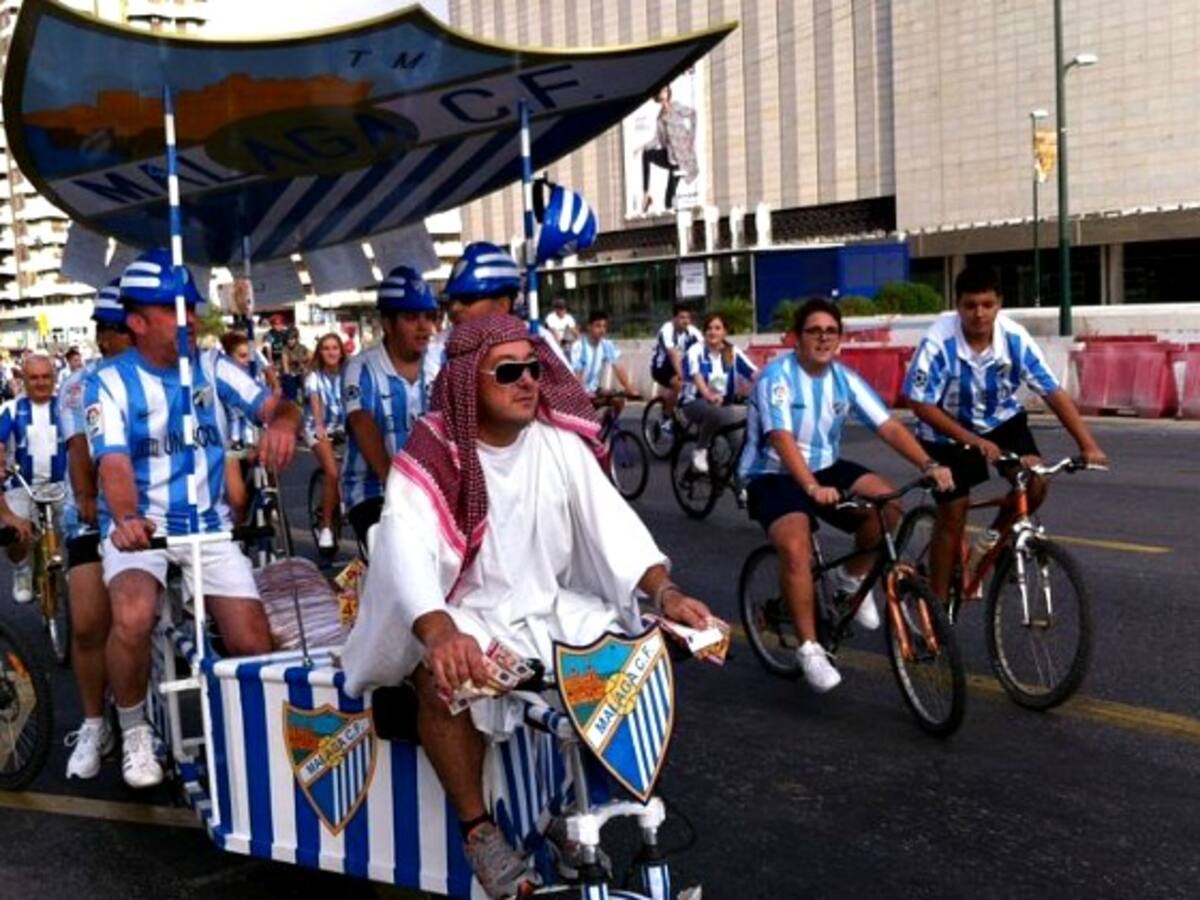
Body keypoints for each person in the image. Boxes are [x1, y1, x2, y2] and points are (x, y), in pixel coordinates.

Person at [342, 314, 714, 898]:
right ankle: (479, 831)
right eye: (508, 371)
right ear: (468, 381)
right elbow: (404, 549)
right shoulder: (432, 453)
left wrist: (666, 592)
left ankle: (571, 809)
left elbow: (614, 527)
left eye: (534, 367)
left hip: (543, 607)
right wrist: (439, 633)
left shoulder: (557, 444)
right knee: (442, 677)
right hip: (457, 610)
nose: (527, 381)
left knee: (631, 645)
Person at [84, 248, 300, 789]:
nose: (190, 319)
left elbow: (275, 406)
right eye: (174, 310)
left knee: (253, 642)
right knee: (133, 616)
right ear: (137, 322)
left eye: (190, 308)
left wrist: (283, 423)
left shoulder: (210, 366)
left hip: (208, 525)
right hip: (142, 529)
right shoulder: (107, 381)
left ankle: (262, 736)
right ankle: (134, 729)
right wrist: (127, 518)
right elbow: (113, 462)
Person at [738, 297, 955, 693]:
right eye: (814, 331)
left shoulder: (844, 379)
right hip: (771, 473)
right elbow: (781, 438)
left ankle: (850, 578)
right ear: (796, 338)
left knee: (889, 505)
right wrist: (811, 488)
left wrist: (929, 464)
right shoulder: (777, 378)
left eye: (831, 332)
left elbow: (888, 426)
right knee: (797, 547)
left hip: (825, 467)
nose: (823, 338)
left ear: (839, 339)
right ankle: (809, 649)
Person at [902, 265, 1108, 602]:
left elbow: (1051, 391)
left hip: (1001, 419)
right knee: (954, 510)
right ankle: (937, 609)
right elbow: (919, 403)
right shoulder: (939, 342)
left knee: (1035, 481)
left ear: (999, 303)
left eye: (987, 304)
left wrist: (1088, 445)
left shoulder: (1014, 338)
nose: (979, 314)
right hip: (946, 430)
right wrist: (973, 441)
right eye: (970, 305)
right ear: (957, 306)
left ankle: (991, 544)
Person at [57, 281, 133, 778]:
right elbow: (79, 447)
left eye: (116, 329)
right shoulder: (77, 385)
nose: (107, 339)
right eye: (102, 330)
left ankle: (138, 721)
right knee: (88, 623)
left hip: (148, 514)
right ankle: (93, 723)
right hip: (91, 514)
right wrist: (87, 497)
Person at [341, 266, 442, 551]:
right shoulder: (360, 368)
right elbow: (361, 422)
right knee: (398, 557)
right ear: (387, 323)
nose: (423, 326)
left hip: (430, 490)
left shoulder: (439, 363)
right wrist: (397, 486)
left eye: (429, 317)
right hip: (373, 492)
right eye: (411, 317)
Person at [0, 353, 69, 604]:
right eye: (34, 378)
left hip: (62, 486)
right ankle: (21, 568)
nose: (41, 383)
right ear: (23, 380)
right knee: (16, 532)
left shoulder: (67, 408)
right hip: (22, 485)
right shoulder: (10, 409)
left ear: (55, 378)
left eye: (46, 377)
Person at [443, 241, 571, 365]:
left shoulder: (537, 337)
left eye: (467, 299)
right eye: (451, 300)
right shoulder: (441, 349)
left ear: (502, 305)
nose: (455, 308)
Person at [679, 311, 758, 474]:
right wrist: (708, 394)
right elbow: (696, 375)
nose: (712, 332)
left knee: (740, 447)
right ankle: (700, 449)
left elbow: (753, 373)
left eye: (717, 328)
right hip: (694, 403)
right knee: (715, 411)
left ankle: (735, 483)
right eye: (709, 328)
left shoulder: (730, 352)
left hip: (724, 406)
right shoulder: (696, 351)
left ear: (725, 332)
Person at [305, 333, 347, 552]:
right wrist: (320, 426)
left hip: (344, 427)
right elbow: (316, 403)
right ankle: (326, 526)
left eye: (335, 348)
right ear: (320, 353)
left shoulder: (350, 373)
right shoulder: (314, 377)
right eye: (326, 348)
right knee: (332, 472)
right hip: (318, 428)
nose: (331, 352)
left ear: (341, 351)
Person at [639, 84, 697, 213]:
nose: (664, 92)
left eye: (665, 90)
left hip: (681, 159)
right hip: (670, 156)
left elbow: (693, 114)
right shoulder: (660, 118)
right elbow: (658, 139)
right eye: (662, 91)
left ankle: (676, 211)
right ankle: (646, 194)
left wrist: (691, 137)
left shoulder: (676, 107)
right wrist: (643, 146)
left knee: (668, 202)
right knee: (646, 154)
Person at [570, 310, 639, 414]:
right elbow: (577, 374)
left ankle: (608, 424)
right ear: (589, 327)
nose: (602, 330)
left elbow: (618, 367)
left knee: (619, 400)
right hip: (579, 391)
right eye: (598, 326)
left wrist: (629, 388)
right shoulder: (579, 346)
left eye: (604, 326)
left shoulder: (606, 345)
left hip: (594, 390)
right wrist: (579, 394)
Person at [648, 303, 702, 435]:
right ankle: (666, 418)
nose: (686, 321)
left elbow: (706, 346)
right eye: (682, 317)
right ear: (674, 318)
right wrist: (683, 376)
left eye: (688, 318)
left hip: (680, 364)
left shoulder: (692, 331)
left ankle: (682, 410)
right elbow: (672, 354)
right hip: (661, 367)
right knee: (678, 384)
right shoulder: (667, 329)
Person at [280, 327, 310, 403]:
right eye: (288, 339)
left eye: (292, 339)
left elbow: (310, 357)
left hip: (302, 373)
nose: (290, 341)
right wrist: (288, 376)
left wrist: (301, 360)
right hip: (291, 374)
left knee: (306, 382)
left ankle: (305, 397)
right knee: (291, 394)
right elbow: (285, 365)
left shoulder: (302, 347)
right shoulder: (285, 349)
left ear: (296, 339)